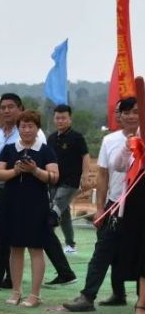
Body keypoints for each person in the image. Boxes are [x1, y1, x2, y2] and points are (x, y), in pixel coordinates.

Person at [64, 98, 136, 312]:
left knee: (137, 252)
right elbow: (103, 175)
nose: (131, 116)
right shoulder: (110, 141)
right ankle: (89, 296)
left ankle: (138, 299)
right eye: (126, 112)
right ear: (119, 116)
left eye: (136, 111)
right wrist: (101, 207)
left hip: (139, 206)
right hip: (115, 204)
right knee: (103, 251)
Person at [0, 110, 59, 307]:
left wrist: (35, 170)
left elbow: (54, 176)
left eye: (31, 126)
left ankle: (35, 295)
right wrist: (16, 170)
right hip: (12, 203)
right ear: (18, 128)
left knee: (36, 248)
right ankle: (16, 291)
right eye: (23, 126)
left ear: (38, 128)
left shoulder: (46, 150)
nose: (27, 130)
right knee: (15, 248)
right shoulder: (9, 149)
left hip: (36, 204)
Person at [114, 98, 145, 314]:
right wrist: (129, 147)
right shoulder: (135, 138)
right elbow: (119, 165)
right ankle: (141, 302)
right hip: (139, 201)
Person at [47, 104, 90, 254]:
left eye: (63, 118)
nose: (60, 121)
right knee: (64, 214)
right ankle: (70, 245)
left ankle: (46, 238)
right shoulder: (51, 138)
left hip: (71, 181)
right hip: (53, 180)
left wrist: (85, 175)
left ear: (70, 119)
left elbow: (85, 156)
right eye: (57, 118)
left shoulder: (77, 137)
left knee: (56, 207)